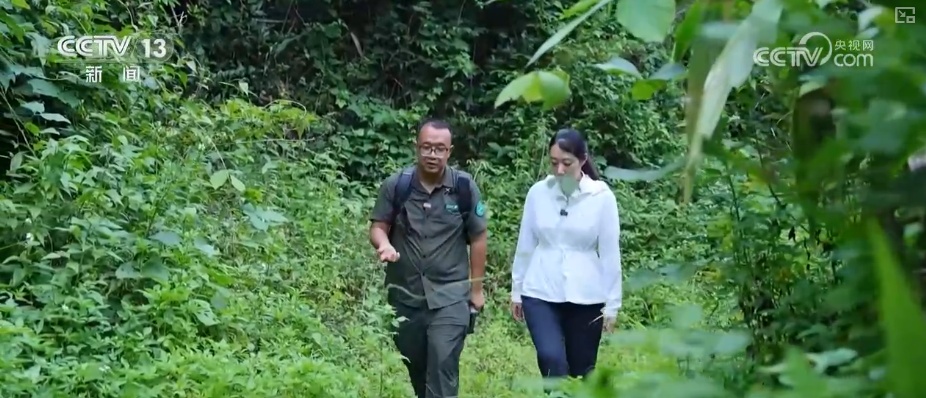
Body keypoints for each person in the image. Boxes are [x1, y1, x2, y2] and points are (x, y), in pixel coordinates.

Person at [368, 118, 489, 398]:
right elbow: (378, 227)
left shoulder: (463, 188)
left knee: (442, 364)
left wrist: (477, 289)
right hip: (405, 296)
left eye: (439, 149)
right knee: (418, 368)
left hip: (450, 297)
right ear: (417, 148)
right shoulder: (397, 186)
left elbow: (479, 238)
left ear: (449, 151)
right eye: (426, 148)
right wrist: (384, 244)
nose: (432, 155)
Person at [509, 128, 622, 382]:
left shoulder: (601, 197)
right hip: (540, 290)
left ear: (582, 160)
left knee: (582, 370)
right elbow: (525, 244)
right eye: (554, 163)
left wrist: (612, 304)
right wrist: (517, 289)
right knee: (551, 360)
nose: (559, 170)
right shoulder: (538, 193)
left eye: (566, 163)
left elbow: (610, 253)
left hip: (586, 295)